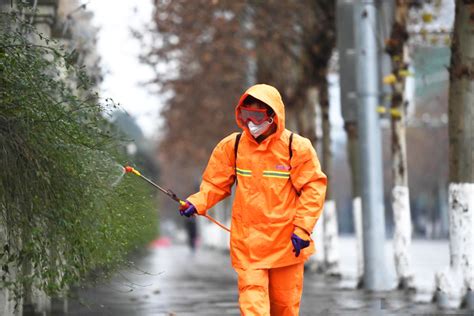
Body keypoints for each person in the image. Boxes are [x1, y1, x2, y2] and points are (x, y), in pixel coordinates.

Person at [179, 84, 327, 316]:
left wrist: (302, 229)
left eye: (257, 116)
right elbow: (215, 184)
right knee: (253, 307)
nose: (251, 122)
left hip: (286, 244)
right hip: (248, 245)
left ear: (273, 115)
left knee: (285, 308)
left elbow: (313, 188)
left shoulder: (295, 147)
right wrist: (197, 202)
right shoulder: (233, 146)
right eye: (246, 115)